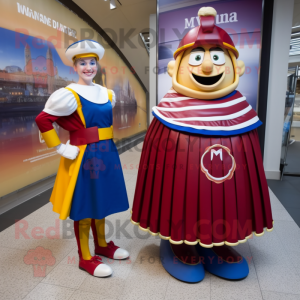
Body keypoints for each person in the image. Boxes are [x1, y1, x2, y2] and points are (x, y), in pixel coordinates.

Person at [131, 7, 273, 282]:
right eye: (196, 58)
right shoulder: (166, 115)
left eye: (217, 57)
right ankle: (178, 240)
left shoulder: (242, 114)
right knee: (177, 199)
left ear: (237, 67)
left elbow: (250, 168)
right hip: (179, 194)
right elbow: (155, 169)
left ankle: (218, 242)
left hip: (224, 188)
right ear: (175, 67)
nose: (207, 67)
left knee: (230, 199)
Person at [35, 39, 130, 278]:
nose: (88, 67)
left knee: (102, 201)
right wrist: (59, 148)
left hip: (107, 152)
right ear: (75, 67)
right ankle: (85, 257)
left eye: (92, 63)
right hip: (85, 157)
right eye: (82, 63)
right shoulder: (68, 94)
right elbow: (43, 120)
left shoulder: (107, 93)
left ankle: (102, 245)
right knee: (85, 206)